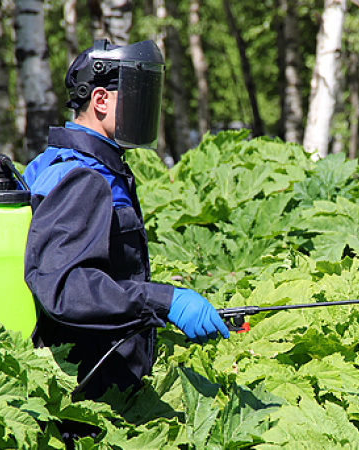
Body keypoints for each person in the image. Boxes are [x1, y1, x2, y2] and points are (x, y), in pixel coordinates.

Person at [22, 39, 229, 401]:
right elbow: (66, 288)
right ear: (100, 100)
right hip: (89, 395)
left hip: (94, 378)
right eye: (137, 96)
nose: (147, 109)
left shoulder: (59, 161)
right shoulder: (81, 177)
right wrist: (164, 301)